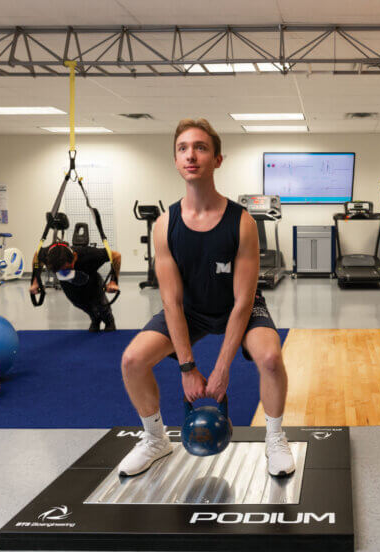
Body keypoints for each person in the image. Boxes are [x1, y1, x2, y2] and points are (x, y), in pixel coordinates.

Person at [117, 118, 295, 478]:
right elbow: (171, 302)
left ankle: (275, 439)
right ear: (175, 160)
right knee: (132, 360)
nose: (191, 155)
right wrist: (188, 368)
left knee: (271, 358)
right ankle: (155, 439)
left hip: (237, 307)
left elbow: (243, 301)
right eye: (182, 149)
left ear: (217, 159)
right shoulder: (165, 224)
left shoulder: (242, 222)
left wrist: (222, 368)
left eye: (200, 147)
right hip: (191, 310)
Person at [29, 242, 121, 332]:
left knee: (100, 304)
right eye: (60, 270)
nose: (65, 272)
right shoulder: (47, 255)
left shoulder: (89, 254)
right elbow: (37, 257)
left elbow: (116, 256)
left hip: (91, 282)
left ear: (75, 256)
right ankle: (95, 319)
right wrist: (35, 282)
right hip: (68, 285)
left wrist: (113, 281)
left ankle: (109, 321)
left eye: (67, 268)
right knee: (80, 304)